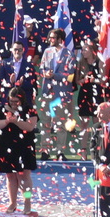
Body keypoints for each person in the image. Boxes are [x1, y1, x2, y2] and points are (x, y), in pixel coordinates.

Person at [37, 28, 74, 161]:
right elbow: (41, 68)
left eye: (53, 38)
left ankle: (60, 151)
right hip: (47, 91)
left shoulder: (68, 54)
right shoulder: (47, 52)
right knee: (45, 123)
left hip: (61, 93)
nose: (50, 40)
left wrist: (55, 75)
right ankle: (45, 150)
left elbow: (70, 74)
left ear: (60, 39)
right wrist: (45, 73)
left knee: (60, 124)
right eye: (50, 37)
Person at [73, 38, 103, 159]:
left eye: (85, 49)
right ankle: (83, 151)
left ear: (92, 50)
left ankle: (97, 150)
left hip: (97, 94)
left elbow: (103, 80)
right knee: (84, 124)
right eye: (82, 49)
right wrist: (84, 80)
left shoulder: (99, 62)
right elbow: (77, 81)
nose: (83, 52)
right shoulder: (81, 63)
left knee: (97, 123)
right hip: (84, 94)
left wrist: (93, 80)